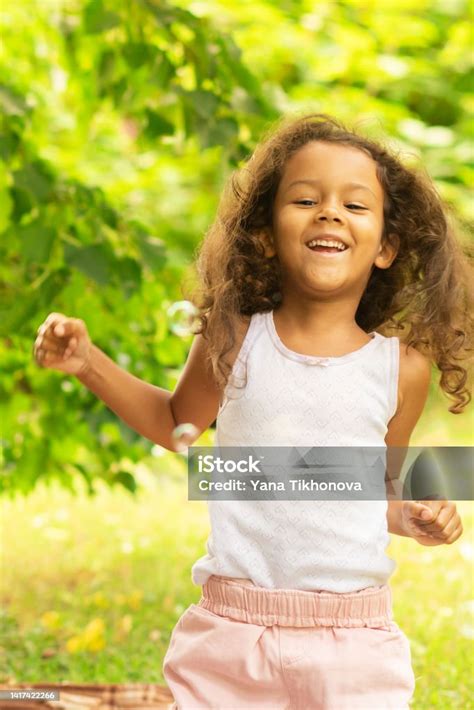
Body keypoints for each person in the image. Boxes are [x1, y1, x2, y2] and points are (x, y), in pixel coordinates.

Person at [34, 113, 471, 709]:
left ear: (387, 247)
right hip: (231, 633)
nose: (329, 213)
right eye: (306, 199)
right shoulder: (235, 336)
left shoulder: (403, 370)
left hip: (353, 643)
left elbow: (374, 488)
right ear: (265, 233)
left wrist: (418, 515)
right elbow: (173, 424)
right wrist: (88, 361)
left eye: (356, 205)